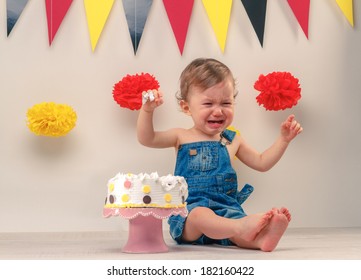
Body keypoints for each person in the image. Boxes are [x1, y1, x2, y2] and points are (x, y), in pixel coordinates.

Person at [137, 58, 303, 252]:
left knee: (234, 230)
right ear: (186, 107)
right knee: (201, 214)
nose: (218, 111)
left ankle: (259, 240)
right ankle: (242, 227)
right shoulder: (181, 136)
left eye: (226, 102)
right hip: (189, 217)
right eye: (208, 103)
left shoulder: (233, 139)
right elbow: (146, 138)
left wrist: (283, 140)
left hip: (226, 211)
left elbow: (262, 162)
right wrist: (147, 111)